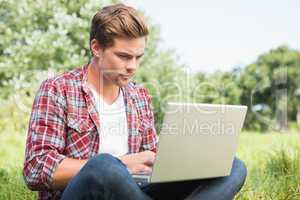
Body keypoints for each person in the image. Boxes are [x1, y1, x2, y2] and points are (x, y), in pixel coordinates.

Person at [23, 3, 247, 200]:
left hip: (134, 191)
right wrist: (124, 164)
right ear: (96, 48)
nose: (133, 66)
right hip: (88, 191)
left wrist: (171, 162)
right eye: (123, 56)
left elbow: (151, 159)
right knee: (105, 166)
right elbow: (36, 169)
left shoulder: (139, 97)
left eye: (138, 57)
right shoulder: (57, 89)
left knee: (232, 166)